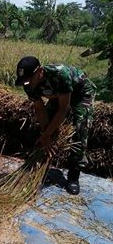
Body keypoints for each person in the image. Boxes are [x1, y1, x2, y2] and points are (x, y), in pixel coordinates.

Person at [15, 56, 96, 195]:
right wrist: (45, 134)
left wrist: (46, 135)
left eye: (28, 80)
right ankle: (43, 165)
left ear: (39, 72)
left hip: (81, 93)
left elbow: (64, 108)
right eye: (23, 81)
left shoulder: (60, 75)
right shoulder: (28, 84)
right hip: (56, 94)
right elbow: (40, 109)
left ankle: (73, 176)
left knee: (80, 127)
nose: (26, 84)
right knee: (47, 130)